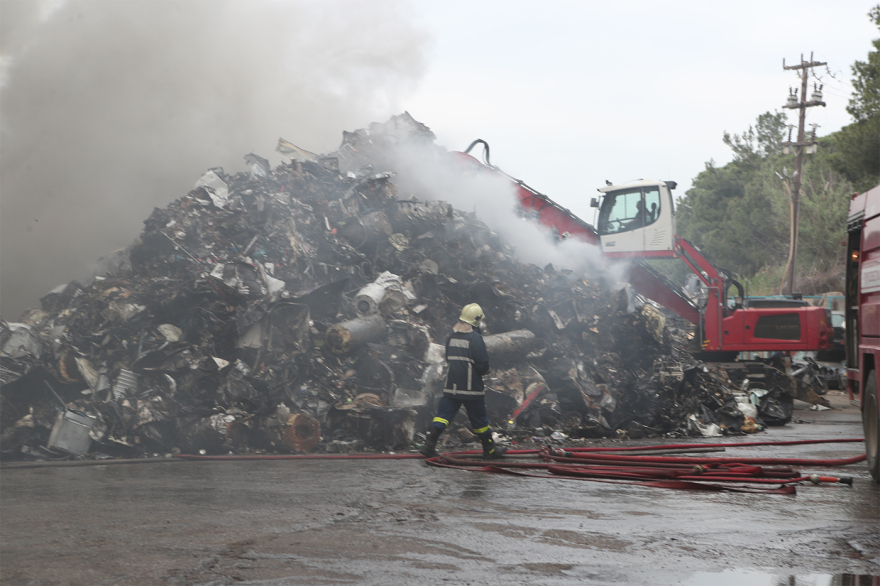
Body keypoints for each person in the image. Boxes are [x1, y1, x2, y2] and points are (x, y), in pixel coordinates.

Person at [420, 303, 507, 459]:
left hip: (451, 386)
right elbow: (482, 365)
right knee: (479, 419)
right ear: (476, 320)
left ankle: (429, 445)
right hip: (470, 388)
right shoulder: (475, 338)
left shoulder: (451, 337)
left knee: (443, 415)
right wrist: (486, 371)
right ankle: (490, 450)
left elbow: (448, 359)